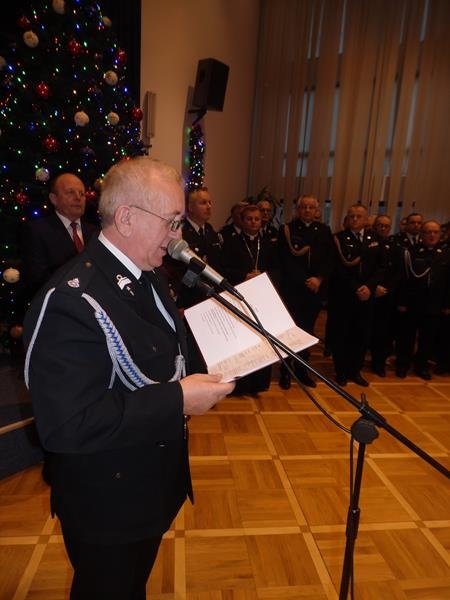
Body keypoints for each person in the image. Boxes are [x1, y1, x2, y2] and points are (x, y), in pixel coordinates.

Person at [22, 157, 234, 600]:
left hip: (149, 487)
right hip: (107, 503)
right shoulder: (71, 300)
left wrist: (233, 351)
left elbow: (164, 350)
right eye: (171, 221)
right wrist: (178, 400)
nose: (178, 236)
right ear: (126, 217)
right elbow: (67, 424)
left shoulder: (146, 273)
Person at [221, 204, 279, 395]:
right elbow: (224, 269)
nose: (253, 222)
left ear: (262, 221)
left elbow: (279, 270)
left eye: (257, 219)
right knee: (242, 342)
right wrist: (245, 276)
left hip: (263, 297)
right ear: (242, 220)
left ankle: (258, 384)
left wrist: (262, 276)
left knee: (262, 340)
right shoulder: (232, 242)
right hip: (240, 296)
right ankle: (241, 385)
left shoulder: (270, 243)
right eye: (249, 219)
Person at [277, 195, 333, 389]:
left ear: (317, 210)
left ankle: (302, 370)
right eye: (303, 207)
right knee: (289, 331)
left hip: (314, 291)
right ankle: (286, 370)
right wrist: (304, 280)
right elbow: (284, 260)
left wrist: (319, 279)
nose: (307, 210)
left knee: (307, 331)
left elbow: (329, 259)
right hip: (292, 290)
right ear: (298, 209)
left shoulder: (324, 231)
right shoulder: (287, 230)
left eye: (311, 207)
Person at [327, 204, 385, 387]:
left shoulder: (375, 239)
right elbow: (337, 268)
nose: (354, 219)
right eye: (351, 216)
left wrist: (369, 286)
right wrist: (357, 287)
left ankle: (355, 370)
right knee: (342, 333)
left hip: (367, 296)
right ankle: (341, 371)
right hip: (345, 295)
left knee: (361, 334)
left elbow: (381, 267)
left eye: (358, 216)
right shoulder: (338, 239)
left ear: (366, 219)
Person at [20, 172, 99, 300]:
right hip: (58, 303)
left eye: (82, 194)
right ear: (54, 199)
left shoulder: (95, 232)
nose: (78, 197)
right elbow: (37, 279)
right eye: (70, 192)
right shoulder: (37, 230)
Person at [394, 220, 450, 380]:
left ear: (440, 234)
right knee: (406, 337)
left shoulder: (446, 253)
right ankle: (402, 365)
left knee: (428, 338)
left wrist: (447, 304)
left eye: (435, 232)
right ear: (421, 234)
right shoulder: (411, 252)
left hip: (434, 304)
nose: (432, 235)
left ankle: (421, 366)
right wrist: (402, 302)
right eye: (428, 232)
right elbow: (404, 279)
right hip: (413, 302)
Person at [369, 215, 402, 376]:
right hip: (368, 294)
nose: (383, 228)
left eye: (386, 226)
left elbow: (398, 273)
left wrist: (386, 288)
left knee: (383, 333)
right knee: (364, 330)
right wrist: (373, 287)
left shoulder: (395, 247)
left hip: (386, 296)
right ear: (374, 226)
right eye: (380, 225)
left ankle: (378, 363)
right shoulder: (367, 244)